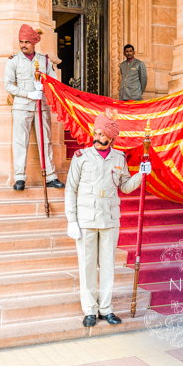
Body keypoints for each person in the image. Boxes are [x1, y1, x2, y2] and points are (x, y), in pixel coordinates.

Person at [65, 112, 151, 327]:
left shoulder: (119, 158)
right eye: (95, 132)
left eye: (101, 134)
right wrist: (71, 220)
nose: (96, 136)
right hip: (86, 219)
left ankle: (105, 309)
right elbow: (70, 190)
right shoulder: (81, 157)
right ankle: (90, 311)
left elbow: (124, 187)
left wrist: (141, 174)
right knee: (86, 267)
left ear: (111, 139)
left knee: (107, 267)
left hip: (110, 219)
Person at [4, 24, 64, 191]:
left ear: (33, 42)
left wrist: (43, 87)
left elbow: (54, 83)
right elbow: (8, 85)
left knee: (46, 141)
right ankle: (20, 178)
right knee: (19, 142)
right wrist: (28, 94)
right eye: (21, 42)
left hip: (41, 106)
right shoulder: (13, 61)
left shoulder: (44, 60)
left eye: (26, 42)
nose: (23, 45)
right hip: (22, 106)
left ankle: (51, 176)